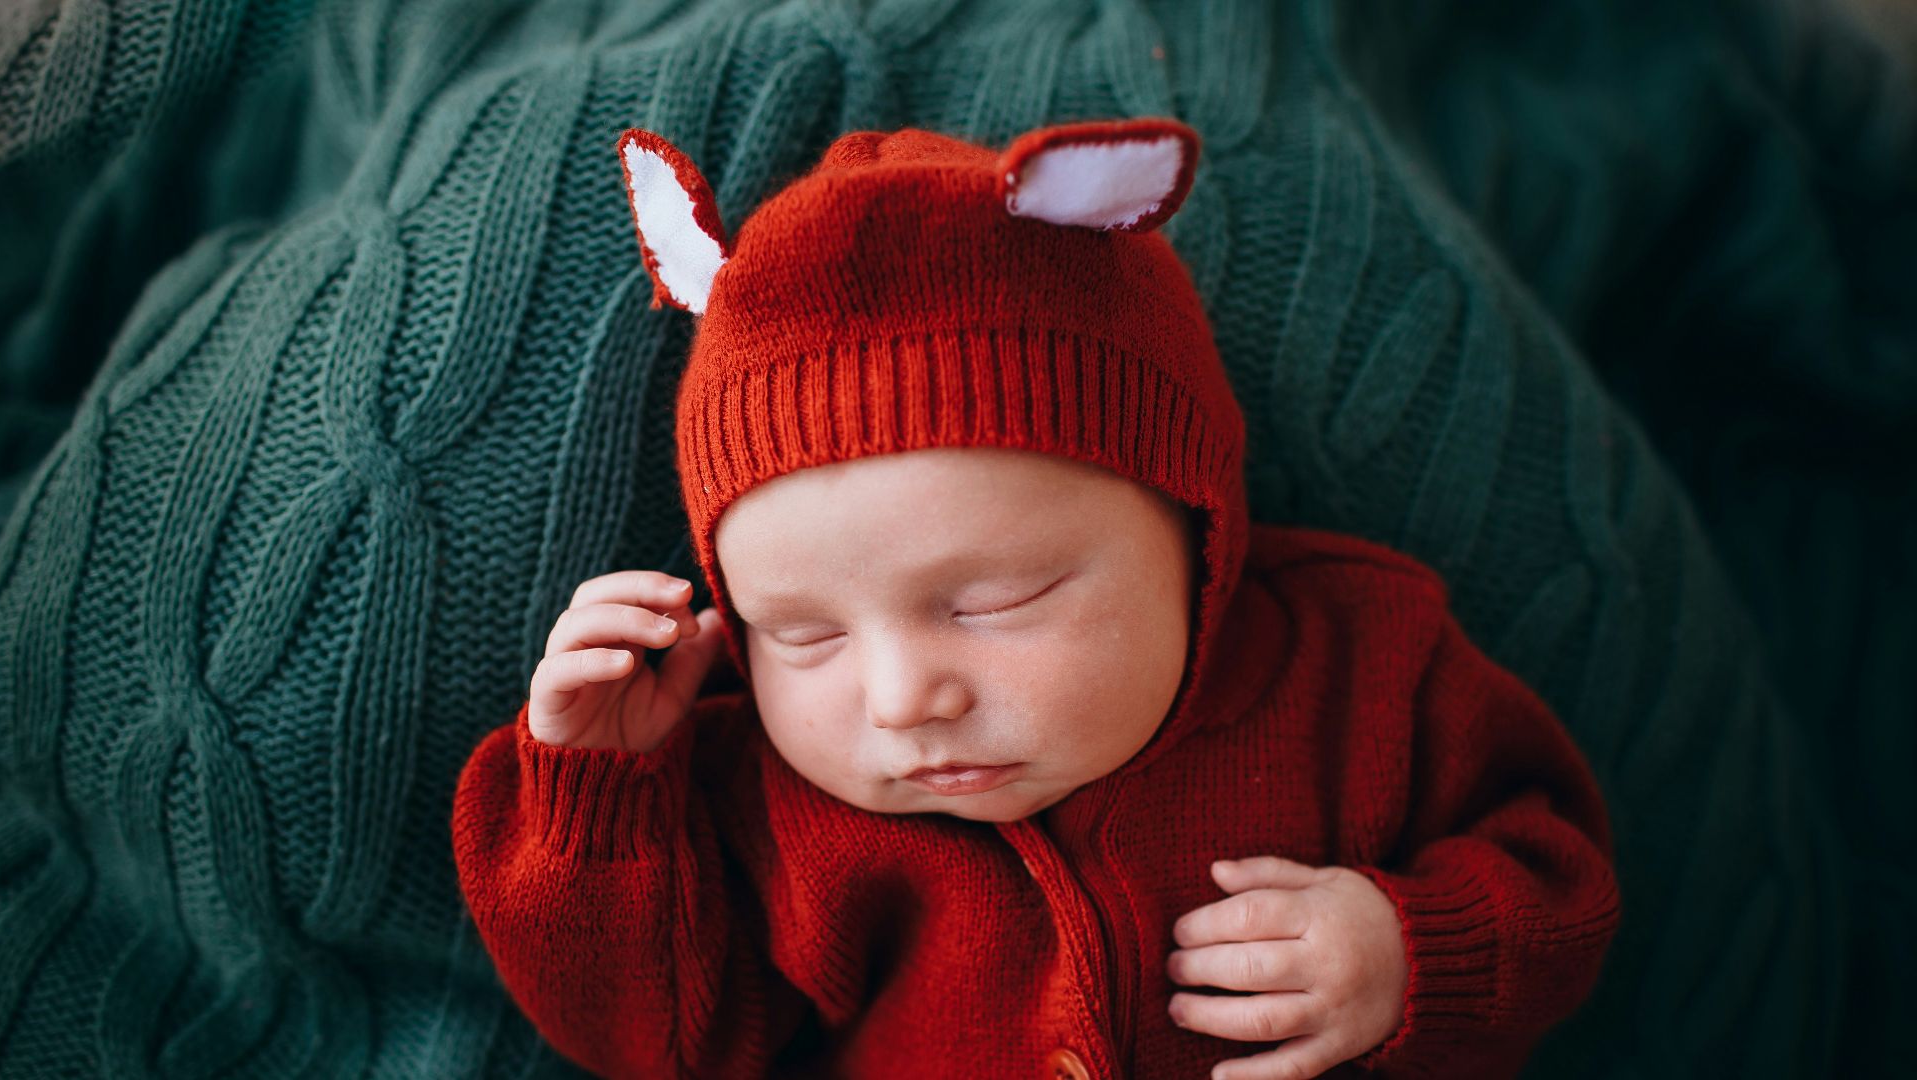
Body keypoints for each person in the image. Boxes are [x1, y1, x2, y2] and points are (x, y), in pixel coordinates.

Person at [451, 117, 1621, 1080]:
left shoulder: (1361, 661)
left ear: (1195, 525)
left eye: (996, 600)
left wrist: (1412, 957)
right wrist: (597, 804)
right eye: (800, 633)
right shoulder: (764, 800)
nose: (905, 698)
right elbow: (661, 1043)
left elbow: (1558, 875)